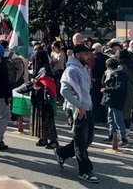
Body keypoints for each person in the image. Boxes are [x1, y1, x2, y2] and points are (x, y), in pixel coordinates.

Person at [54, 44, 99, 184]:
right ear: (78, 55)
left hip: (87, 108)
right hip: (78, 110)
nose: (89, 56)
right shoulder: (72, 70)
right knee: (80, 142)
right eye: (86, 54)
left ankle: (62, 152)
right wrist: (78, 106)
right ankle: (85, 171)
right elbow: (64, 91)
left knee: (88, 140)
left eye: (89, 53)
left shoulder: (84, 68)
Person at [30, 49, 58, 149]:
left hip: (44, 99)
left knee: (47, 119)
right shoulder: (41, 67)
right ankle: (43, 138)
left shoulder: (45, 68)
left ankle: (53, 140)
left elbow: (48, 84)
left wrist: (36, 82)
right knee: (40, 119)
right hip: (39, 98)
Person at [100, 58, 129, 147]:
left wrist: (107, 89)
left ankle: (123, 138)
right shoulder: (109, 74)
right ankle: (111, 135)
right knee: (110, 118)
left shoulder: (119, 75)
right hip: (110, 99)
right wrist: (105, 75)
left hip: (117, 100)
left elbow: (120, 88)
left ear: (109, 66)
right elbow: (103, 83)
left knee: (118, 120)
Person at [91, 43, 108, 123]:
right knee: (103, 100)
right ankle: (104, 118)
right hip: (104, 80)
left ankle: (97, 118)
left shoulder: (94, 59)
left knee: (95, 101)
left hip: (96, 80)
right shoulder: (106, 58)